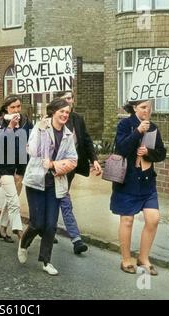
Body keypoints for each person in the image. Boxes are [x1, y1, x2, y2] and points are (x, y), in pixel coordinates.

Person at [19, 98, 77, 275]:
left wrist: (54, 165)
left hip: (55, 183)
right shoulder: (40, 127)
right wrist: (41, 130)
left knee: (51, 224)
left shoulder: (68, 134)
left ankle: (46, 261)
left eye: (67, 112)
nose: (65, 115)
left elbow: (73, 159)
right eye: (62, 112)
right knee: (37, 223)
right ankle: (24, 243)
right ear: (53, 112)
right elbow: (33, 151)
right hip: (36, 181)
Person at [110, 99, 166, 276]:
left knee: (153, 218)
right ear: (134, 108)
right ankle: (126, 259)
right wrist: (137, 132)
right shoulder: (125, 125)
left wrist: (148, 152)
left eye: (149, 108)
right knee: (127, 220)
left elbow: (162, 153)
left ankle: (143, 258)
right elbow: (120, 148)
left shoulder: (154, 127)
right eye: (142, 108)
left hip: (147, 181)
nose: (146, 112)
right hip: (127, 181)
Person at [53, 91, 102, 254]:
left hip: (70, 167)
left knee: (61, 198)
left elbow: (86, 140)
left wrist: (93, 159)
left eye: (71, 98)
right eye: (65, 99)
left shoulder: (77, 119)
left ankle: (58, 232)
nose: (69, 101)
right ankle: (75, 239)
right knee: (61, 200)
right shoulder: (49, 122)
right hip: (52, 169)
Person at [0, 94, 33, 242]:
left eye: (18, 107)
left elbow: (31, 142)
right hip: (4, 167)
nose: (16, 110)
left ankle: (3, 228)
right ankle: (19, 231)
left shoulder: (26, 122)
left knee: (11, 199)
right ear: (6, 109)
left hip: (20, 166)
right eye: (12, 107)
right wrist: (10, 127)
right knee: (14, 201)